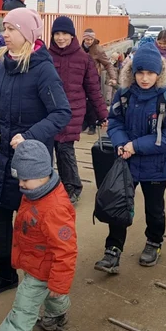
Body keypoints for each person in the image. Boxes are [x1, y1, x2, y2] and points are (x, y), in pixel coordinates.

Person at [0, 8, 71, 298]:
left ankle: (40, 277)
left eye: (11, 29)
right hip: (3, 155)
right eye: (4, 28)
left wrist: (29, 137)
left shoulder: (43, 68)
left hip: (31, 159)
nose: (4, 33)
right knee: (4, 214)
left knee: (35, 220)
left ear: (27, 34)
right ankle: (5, 273)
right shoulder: (4, 65)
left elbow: (61, 113)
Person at [0, 140, 77, 331]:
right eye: (20, 179)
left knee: (24, 308)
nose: (22, 185)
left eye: (26, 179)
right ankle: (59, 313)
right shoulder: (34, 191)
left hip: (43, 267)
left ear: (44, 173)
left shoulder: (55, 208)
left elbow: (66, 250)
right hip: (34, 261)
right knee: (52, 296)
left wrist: (60, 281)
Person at [94, 43, 166, 273]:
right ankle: (113, 249)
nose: (145, 78)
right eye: (140, 72)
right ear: (133, 72)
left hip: (157, 165)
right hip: (128, 161)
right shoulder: (124, 94)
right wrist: (121, 144)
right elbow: (114, 122)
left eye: (150, 73)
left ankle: (154, 242)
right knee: (119, 204)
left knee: (154, 208)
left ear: (159, 73)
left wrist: (134, 146)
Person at [48, 16, 108, 204]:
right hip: (49, 111)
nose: (60, 38)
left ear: (72, 35)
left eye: (65, 33)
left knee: (65, 149)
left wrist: (102, 114)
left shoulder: (83, 58)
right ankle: (48, 186)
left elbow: (93, 89)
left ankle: (72, 187)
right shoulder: (46, 56)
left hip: (72, 111)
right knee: (47, 148)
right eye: (57, 34)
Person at [82, 28, 118, 134]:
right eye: (86, 39)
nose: (88, 41)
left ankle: (92, 125)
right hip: (82, 77)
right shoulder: (80, 48)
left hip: (94, 77)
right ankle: (85, 122)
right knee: (83, 100)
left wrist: (113, 77)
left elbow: (107, 64)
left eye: (90, 39)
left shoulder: (98, 50)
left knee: (93, 100)